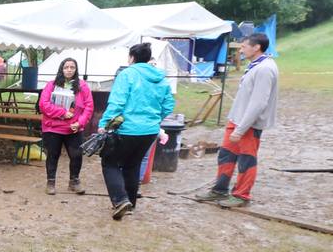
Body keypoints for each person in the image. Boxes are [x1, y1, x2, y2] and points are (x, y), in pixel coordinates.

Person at [194, 33, 278, 208]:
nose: (240, 49)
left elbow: (258, 103)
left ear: (256, 47)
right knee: (226, 154)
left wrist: (241, 129)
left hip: (249, 123)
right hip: (237, 119)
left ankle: (241, 195)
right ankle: (219, 189)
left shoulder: (265, 69)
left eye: (244, 46)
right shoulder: (255, 66)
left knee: (247, 159)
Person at [98, 42, 175, 220]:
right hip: (149, 132)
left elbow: (117, 103)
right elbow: (168, 105)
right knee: (133, 165)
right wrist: (154, 120)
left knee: (110, 162)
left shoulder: (127, 74)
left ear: (131, 58)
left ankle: (120, 200)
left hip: (127, 129)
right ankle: (130, 204)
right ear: (148, 58)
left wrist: (104, 124)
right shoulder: (161, 78)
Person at [38, 57, 93, 194]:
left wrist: (80, 123)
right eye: (66, 67)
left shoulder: (83, 86)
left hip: (73, 128)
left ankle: (74, 181)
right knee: (53, 155)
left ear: (76, 69)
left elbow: (89, 107)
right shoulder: (51, 85)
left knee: (76, 155)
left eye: (72, 67)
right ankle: (50, 182)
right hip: (53, 127)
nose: (69, 70)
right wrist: (62, 113)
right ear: (61, 69)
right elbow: (43, 104)